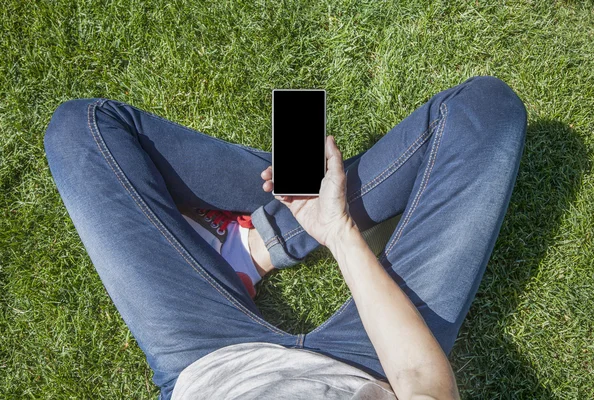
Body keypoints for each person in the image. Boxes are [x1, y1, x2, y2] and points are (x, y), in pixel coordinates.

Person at [43, 75, 527, 399]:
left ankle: (258, 242)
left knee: (82, 130)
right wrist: (336, 230)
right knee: (483, 110)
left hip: (209, 361)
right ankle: (275, 232)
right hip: (377, 360)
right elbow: (422, 382)